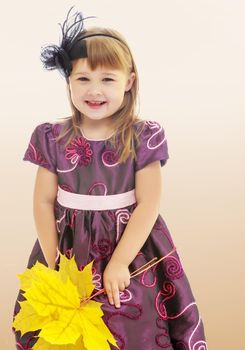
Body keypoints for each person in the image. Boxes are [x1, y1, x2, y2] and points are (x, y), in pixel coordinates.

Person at [12, 6, 207, 350]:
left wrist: (119, 263)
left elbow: (149, 203)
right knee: (62, 330)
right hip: (69, 244)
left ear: (129, 80)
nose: (95, 90)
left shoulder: (144, 135)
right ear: (69, 81)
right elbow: (43, 200)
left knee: (131, 321)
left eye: (107, 79)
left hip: (129, 245)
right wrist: (53, 255)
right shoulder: (50, 136)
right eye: (83, 79)